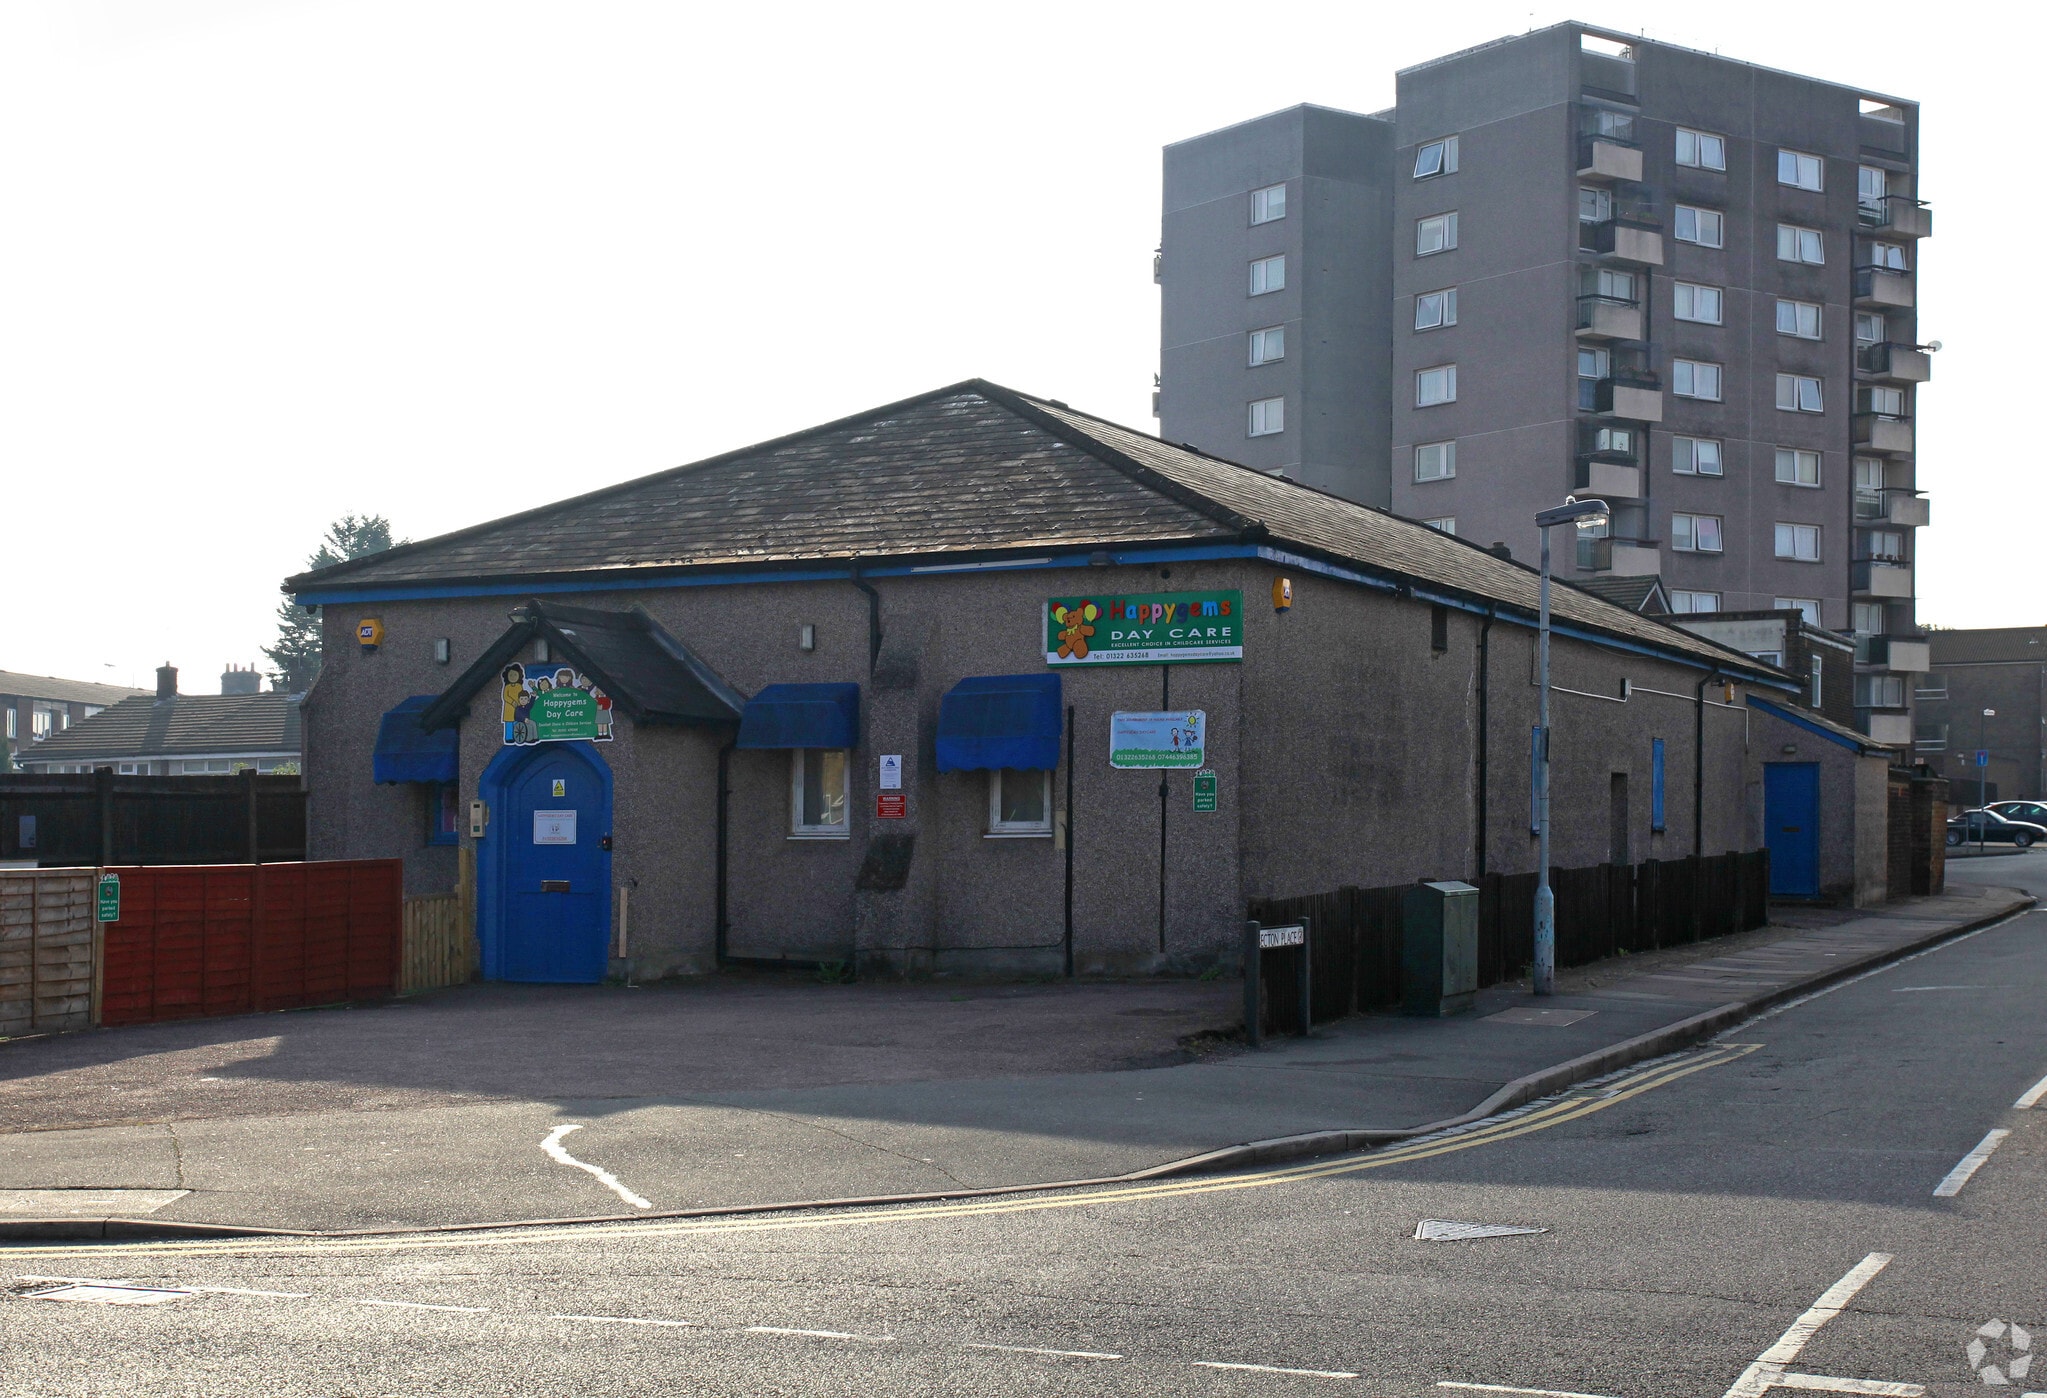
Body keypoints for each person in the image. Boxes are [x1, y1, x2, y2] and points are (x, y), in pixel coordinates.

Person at [500, 665, 526, 743]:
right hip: (509, 708)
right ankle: (509, 737)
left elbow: (521, 695)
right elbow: (505, 696)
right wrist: (512, 702)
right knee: (509, 723)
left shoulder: (519, 686)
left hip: (517, 707)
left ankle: (516, 736)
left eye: (515, 675)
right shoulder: (507, 687)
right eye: (511, 675)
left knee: (516, 722)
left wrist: (520, 703)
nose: (513, 677)